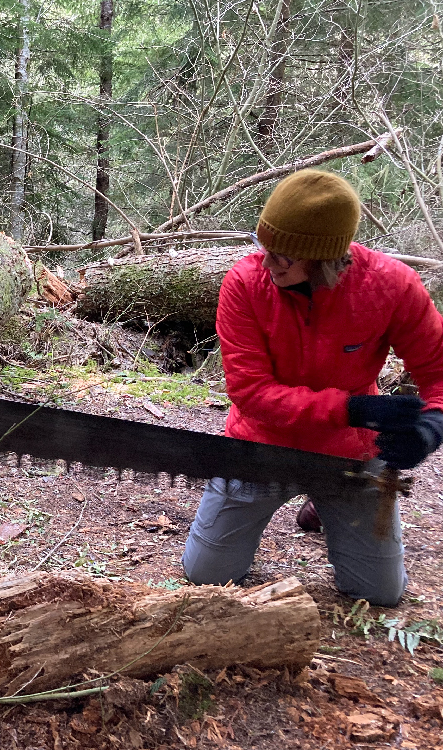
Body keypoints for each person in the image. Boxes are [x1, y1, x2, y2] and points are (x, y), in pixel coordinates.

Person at [181, 169, 443, 607]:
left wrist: (432, 426)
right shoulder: (245, 284)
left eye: (284, 256)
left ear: (324, 258)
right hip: (262, 442)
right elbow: (251, 391)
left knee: (379, 593)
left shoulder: (391, 286)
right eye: (264, 247)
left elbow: (437, 370)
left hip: (348, 452)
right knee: (205, 575)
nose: (268, 263)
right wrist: (350, 409)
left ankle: (325, 505)